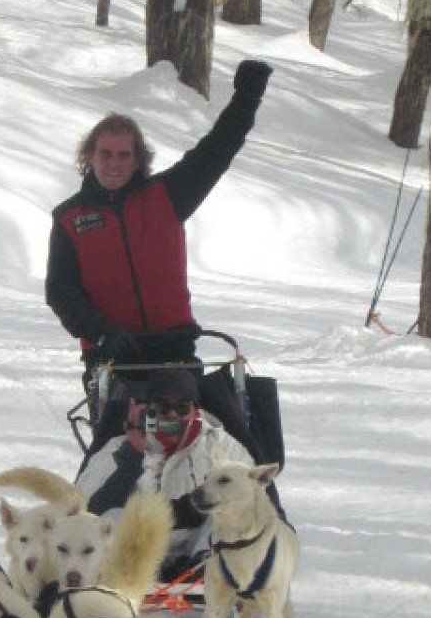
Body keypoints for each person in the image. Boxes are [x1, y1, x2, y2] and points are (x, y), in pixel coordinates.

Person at [45, 59, 273, 382]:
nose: (114, 163)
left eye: (124, 155)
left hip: (174, 350)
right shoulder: (70, 219)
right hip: (111, 356)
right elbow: (61, 291)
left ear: (139, 159)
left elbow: (219, 147)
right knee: (121, 431)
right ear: (89, 156)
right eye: (105, 153)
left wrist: (249, 94)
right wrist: (101, 332)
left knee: (215, 425)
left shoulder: (167, 195)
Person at [74, 368, 252, 580]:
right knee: (110, 518)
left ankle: (202, 572)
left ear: (196, 410)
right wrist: (133, 455)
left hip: (197, 550)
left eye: (182, 407)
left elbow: (253, 496)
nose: (172, 414)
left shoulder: (220, 447)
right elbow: (84, 510)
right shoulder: (118, 449)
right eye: (161, 407)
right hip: (136, 553)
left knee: (230, 514)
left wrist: (190, 509)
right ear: (146, 410)